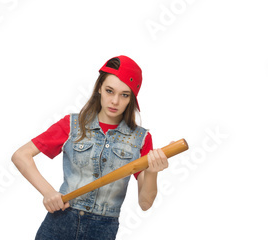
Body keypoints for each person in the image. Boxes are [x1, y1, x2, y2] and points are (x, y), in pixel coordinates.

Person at [11, 55, 169, 239]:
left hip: (102, 230)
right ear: (99, 88)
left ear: (131, 98)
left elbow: (145, 203)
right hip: (60, 221)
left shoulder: (141, 139)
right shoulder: (72, 125)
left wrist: (152, 172)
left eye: (124, 95)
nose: (115, 101)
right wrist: (48, 192)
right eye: (110, 91)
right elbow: (21, 155)